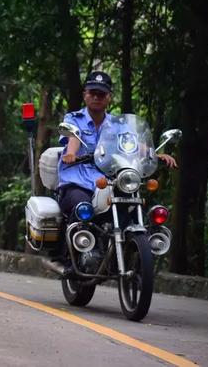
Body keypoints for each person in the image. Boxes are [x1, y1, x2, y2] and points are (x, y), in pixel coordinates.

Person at [52, 71, 176, 272]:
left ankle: (128, 250)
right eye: (92, 92)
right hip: (78, 181)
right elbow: (73, 138)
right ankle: (70, 258)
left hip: (109, 182)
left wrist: (154, 155)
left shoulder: (117, 125)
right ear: (85, 94)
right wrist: (71, 154)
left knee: (129, 206)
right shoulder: (74, 118)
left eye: (101, 94)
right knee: (81, 207)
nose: (96, 97)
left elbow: (133, 144)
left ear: (109, 97)